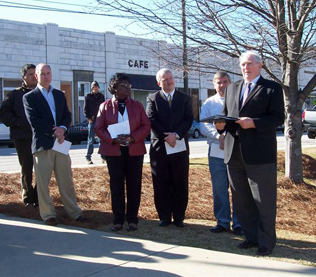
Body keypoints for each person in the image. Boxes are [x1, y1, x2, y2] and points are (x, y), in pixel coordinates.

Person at [215, 51, 284, 256]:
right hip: (234, 153)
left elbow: (278, 118)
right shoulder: (232, 88)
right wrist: (221, 126)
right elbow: (228, 118)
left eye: (250, 64)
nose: (246, 67)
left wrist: (253, 123)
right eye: (243, 64)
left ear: (260, 66)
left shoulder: (272, 88)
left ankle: (266, 242)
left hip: (260, 155)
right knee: (242, 200)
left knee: (264, 201)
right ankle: (250, 237)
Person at [23, 63, 87, 226]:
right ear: (36, 76)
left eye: (48, 73)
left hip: (61, 144)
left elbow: (67, 115)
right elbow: (34, 121)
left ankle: (74, 212)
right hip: (43, 145)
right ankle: (48, 215)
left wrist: (63, 129)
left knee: (66, 180)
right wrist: (55, 131)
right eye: (42, 73)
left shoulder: (59, 95)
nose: (46, 76)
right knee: (43, 183)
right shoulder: (29, 97)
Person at [95, 74, 150, 232]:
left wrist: (133, 137)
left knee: (134, 185)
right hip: (114, 151)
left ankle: (133, 220)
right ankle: (118, 220)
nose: (128, 88)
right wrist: (112, 139)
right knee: (116, 186)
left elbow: (146, 125)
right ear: (114, 88)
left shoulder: (137, 106)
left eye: (129, 86)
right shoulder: (104, 106)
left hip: (134, 150)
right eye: (124, 86)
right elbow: (98, 128)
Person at [146, 68, 193, 228]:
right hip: (160, 147)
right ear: (159, 83)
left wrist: (176, 135)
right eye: (165, 79)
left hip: (180, 147)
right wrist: (166, 136)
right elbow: (151, 119)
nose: (169, 81)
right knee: (161, 182)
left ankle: (179, 217)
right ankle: (164, 216)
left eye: (171, 78)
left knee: (180, 182)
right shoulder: (152, 98)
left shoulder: (185, 98)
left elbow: (188, 119)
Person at [200, 71, 242, 236]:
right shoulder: (209, 103)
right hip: (216, 152)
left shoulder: (238, 100)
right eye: (219, 82)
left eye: (225, 82)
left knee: (237, 189)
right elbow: (204, 125)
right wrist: (219, 136)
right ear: (214, 84)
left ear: (230, 83)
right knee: (219, 189)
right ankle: (223, 222)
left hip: (236, 152)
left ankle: (239, 223)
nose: (222, 85)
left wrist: (230, 136)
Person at [0, 64, 38, 207]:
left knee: (42, 168)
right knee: (26, 168)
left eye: (35, 73)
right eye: (30, 74)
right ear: (23, 77)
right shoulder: (14, 95)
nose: (33, 76)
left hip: (40, 137)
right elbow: (4, 114)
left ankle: (39, 195)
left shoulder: (42, 92)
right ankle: (28, 196)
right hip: (22, 137)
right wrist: (18, 122)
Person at [84, 81, 105, 164]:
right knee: (91, 140)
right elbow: (85, 109)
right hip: (92, 120)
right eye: (94, 87)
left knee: (101, 139)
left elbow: (103, 107)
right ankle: (88, 157)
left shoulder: (101, 96)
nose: (96, 89)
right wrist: (88, 118)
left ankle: (103, 156)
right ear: (92, 88)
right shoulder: (88, 96)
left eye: (97, 87)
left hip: (100, 120)